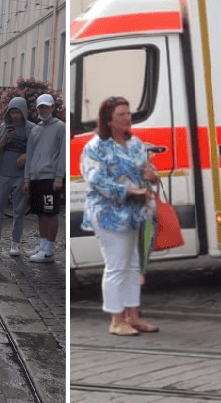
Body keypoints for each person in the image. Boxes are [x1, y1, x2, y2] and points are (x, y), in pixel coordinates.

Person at [81, 96, 160, 336]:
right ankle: (116, 319)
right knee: (116, 265)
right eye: (121, 114)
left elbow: (148, 173)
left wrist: (152, 176)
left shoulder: (135, 143)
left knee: (134, 265)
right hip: (108, 213)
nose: (128, 118)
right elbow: (95, 179)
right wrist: (129, 190)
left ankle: (133, 316)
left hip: (135, 212)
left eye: (128, 113)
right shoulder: (95, 146)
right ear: (108, 119)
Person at [0, 97, 35, 255]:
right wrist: (5, 137)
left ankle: (15, 243)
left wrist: (27, 155)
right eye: (12, 112)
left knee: (19, 211)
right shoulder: (3, 127)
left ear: (23, 112)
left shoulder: (31, 129)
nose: (15, 115)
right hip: (3, 173)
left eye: (18, 112)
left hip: (21, 175)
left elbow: (37, 150)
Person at [24, 94, 65, 263]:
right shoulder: (36, 129)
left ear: (53, 108)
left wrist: (58, 177)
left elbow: (63, 154)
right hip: (36, 178)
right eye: (41, 107)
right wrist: (27, 179)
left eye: (47, 107)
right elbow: (30, 155)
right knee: (40, 212)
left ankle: (49, 249)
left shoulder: (60, 127)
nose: (44, 110)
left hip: (50, 177)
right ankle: (42, 245)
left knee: (50, 212)